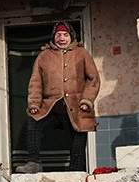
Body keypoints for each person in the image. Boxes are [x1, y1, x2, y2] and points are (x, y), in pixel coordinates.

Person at [18, 21, 100, 173]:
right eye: (58, 35)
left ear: (71, 36)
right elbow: (36, 82)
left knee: (79, 132)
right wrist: (34, 103)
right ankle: (34, 163)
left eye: (65, 35)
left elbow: (93, 79)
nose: (62, 38)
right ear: (53, 37)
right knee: (33, 122)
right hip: (51, 104)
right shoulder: (44, 56)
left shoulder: (82, 53)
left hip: (77, 103)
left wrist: (87, 100)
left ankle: (76, 168)